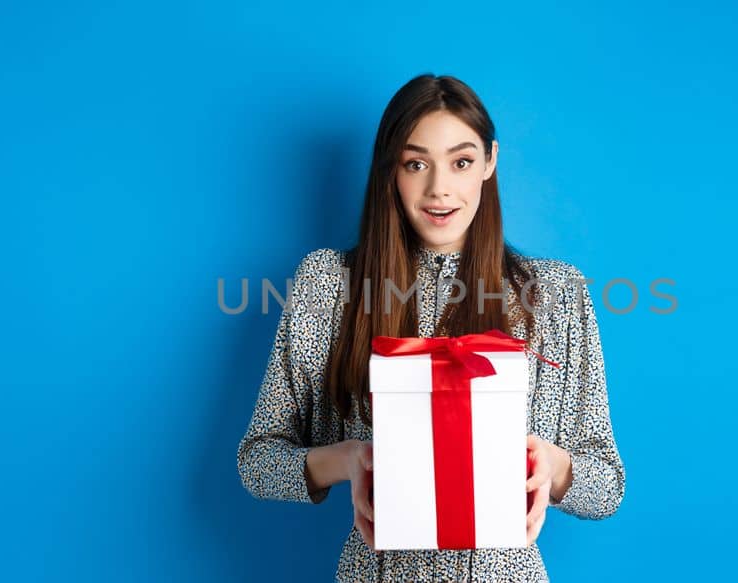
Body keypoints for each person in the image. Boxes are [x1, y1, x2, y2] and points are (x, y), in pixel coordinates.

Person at [237, 73, 624, 582]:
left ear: (489, 162)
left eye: (461, 162)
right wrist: (351, 459)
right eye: (416, 163)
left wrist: (552, 466)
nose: (439, 188)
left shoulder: (555, 293)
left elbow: (608, 488)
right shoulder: (328, 284)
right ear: (390, 171)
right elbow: (258, 463)